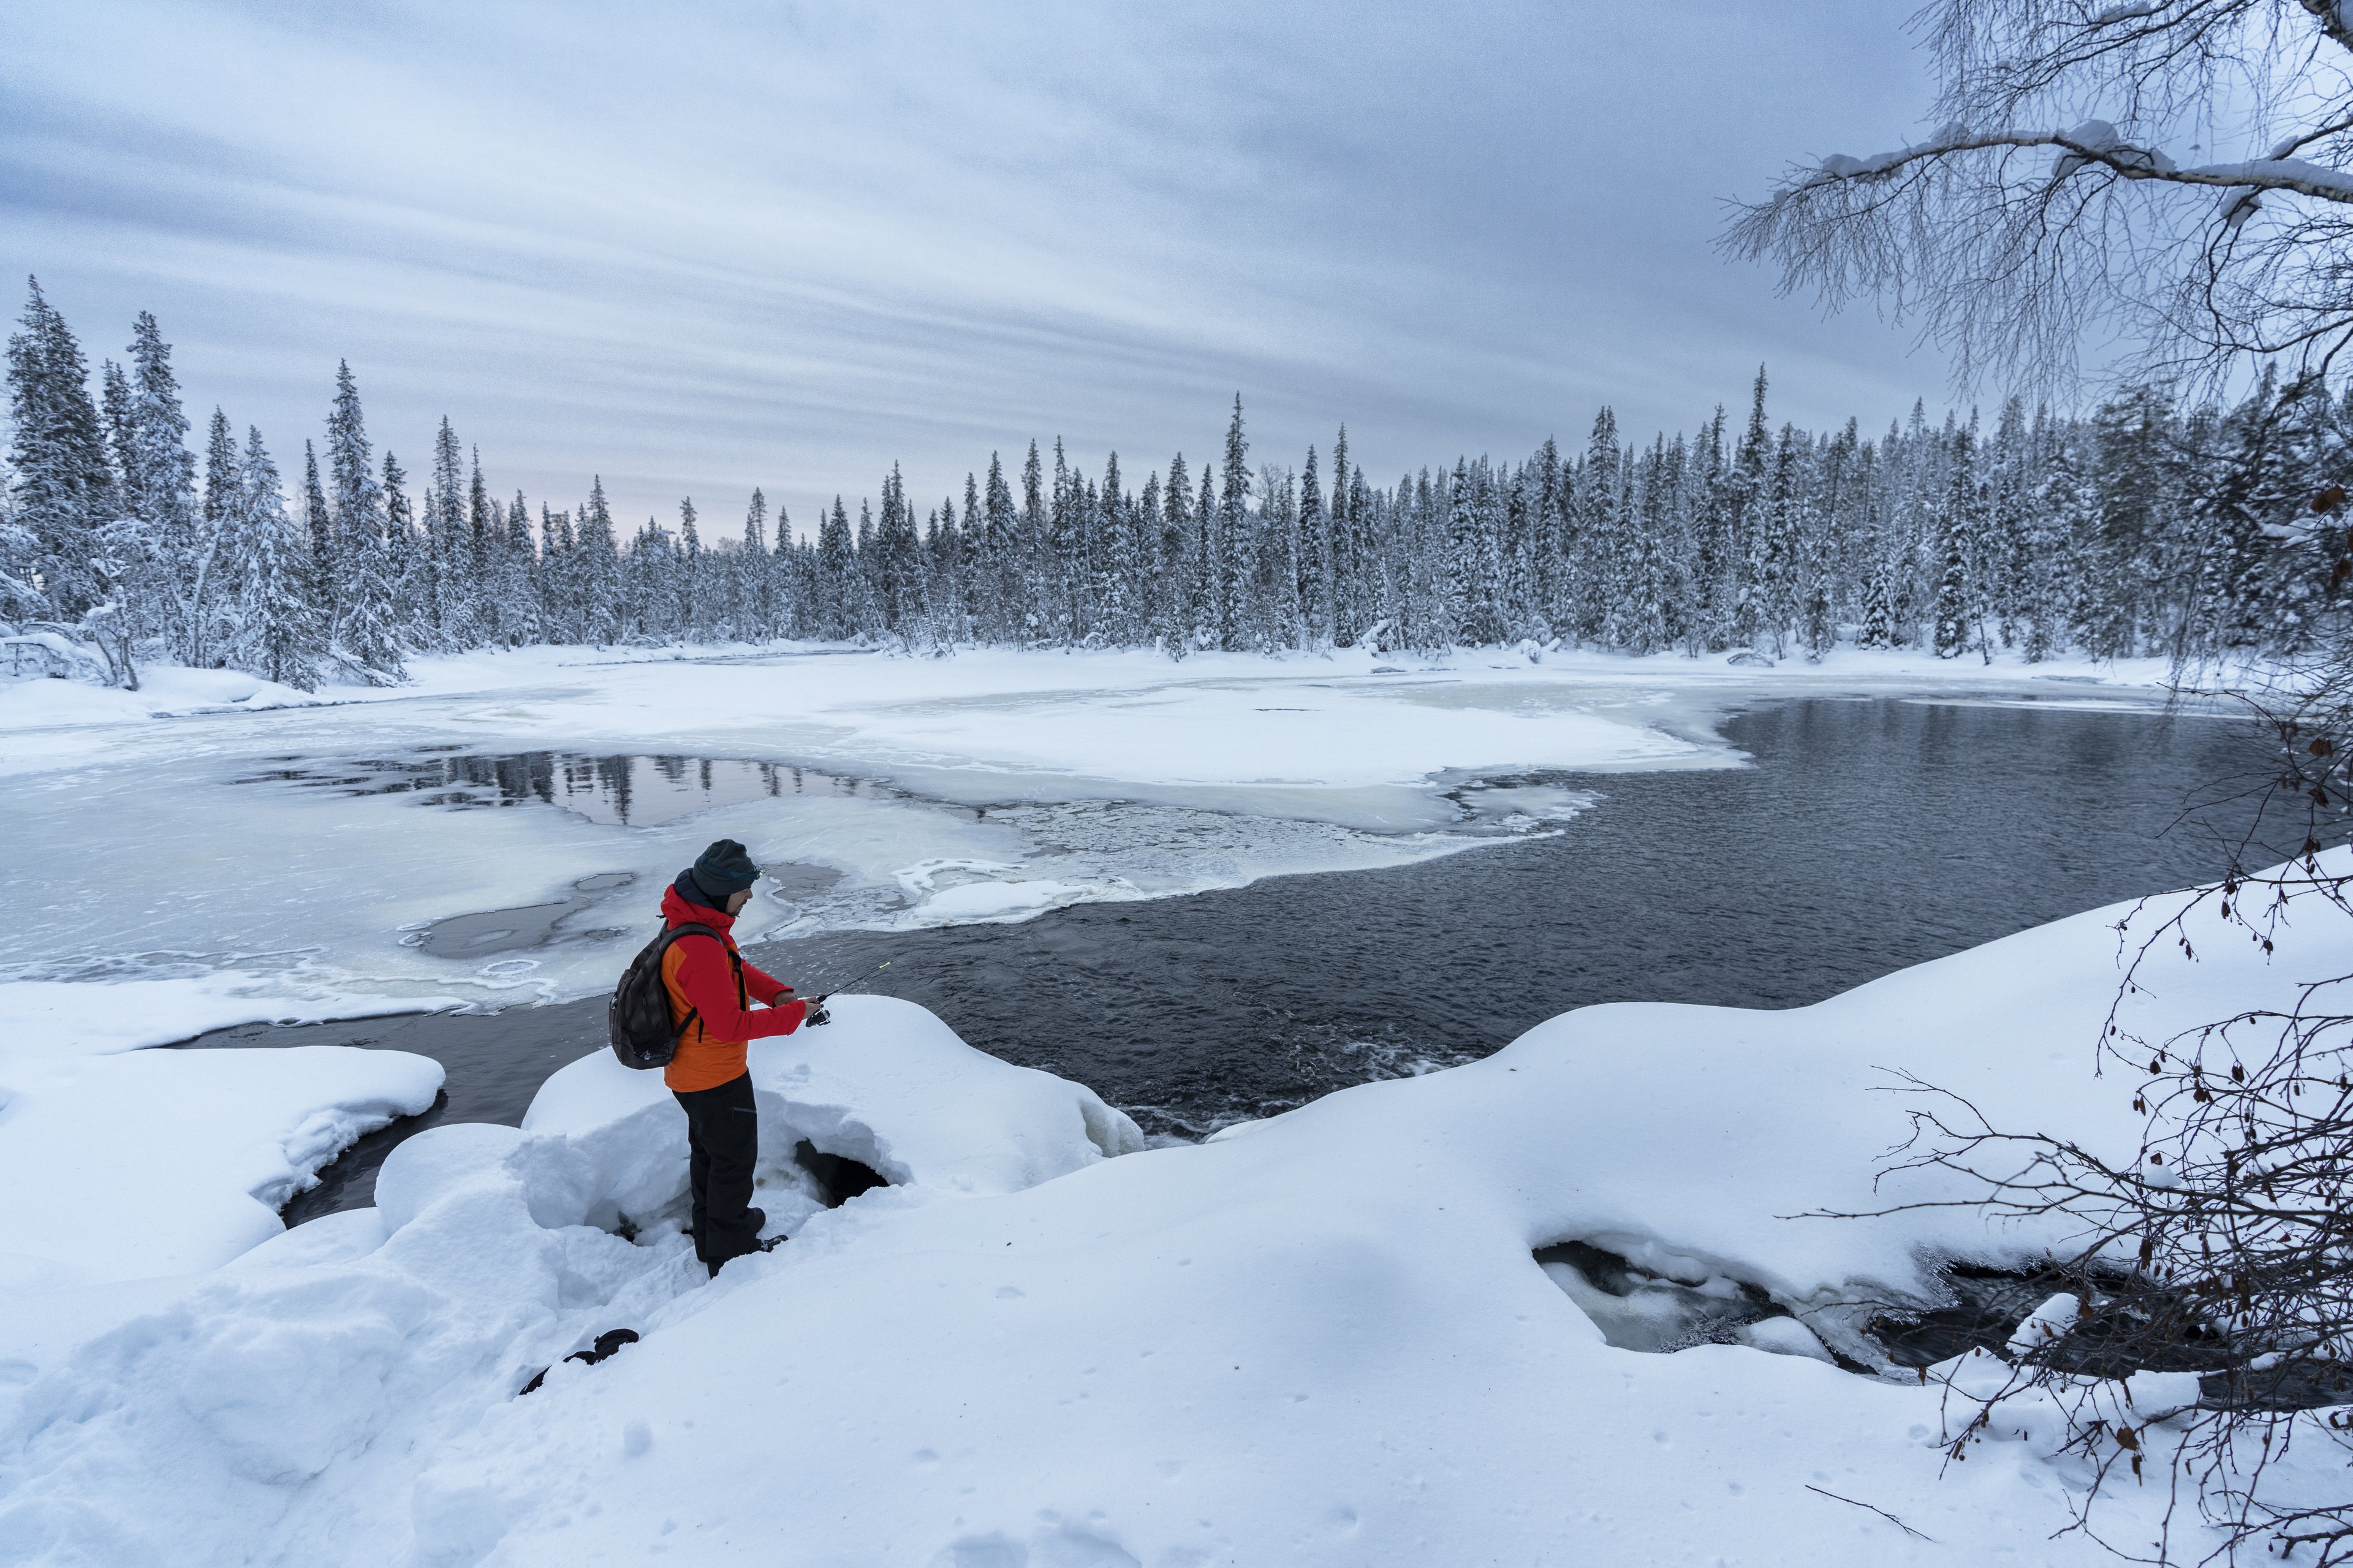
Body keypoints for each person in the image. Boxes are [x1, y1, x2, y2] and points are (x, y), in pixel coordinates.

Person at [660, 838, 824, 1278]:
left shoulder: (695, 924)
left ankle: (713, 1231)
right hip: (714, 1076)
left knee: (711, 1155)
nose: (751, 895)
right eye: (744, 888)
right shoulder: (700, 945)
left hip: (693, 1073)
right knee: (733, 1162)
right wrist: (793, 1014)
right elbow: (730, 1025)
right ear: (719, 889)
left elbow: (732, 970)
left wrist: (777, 992)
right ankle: (730, 1250)